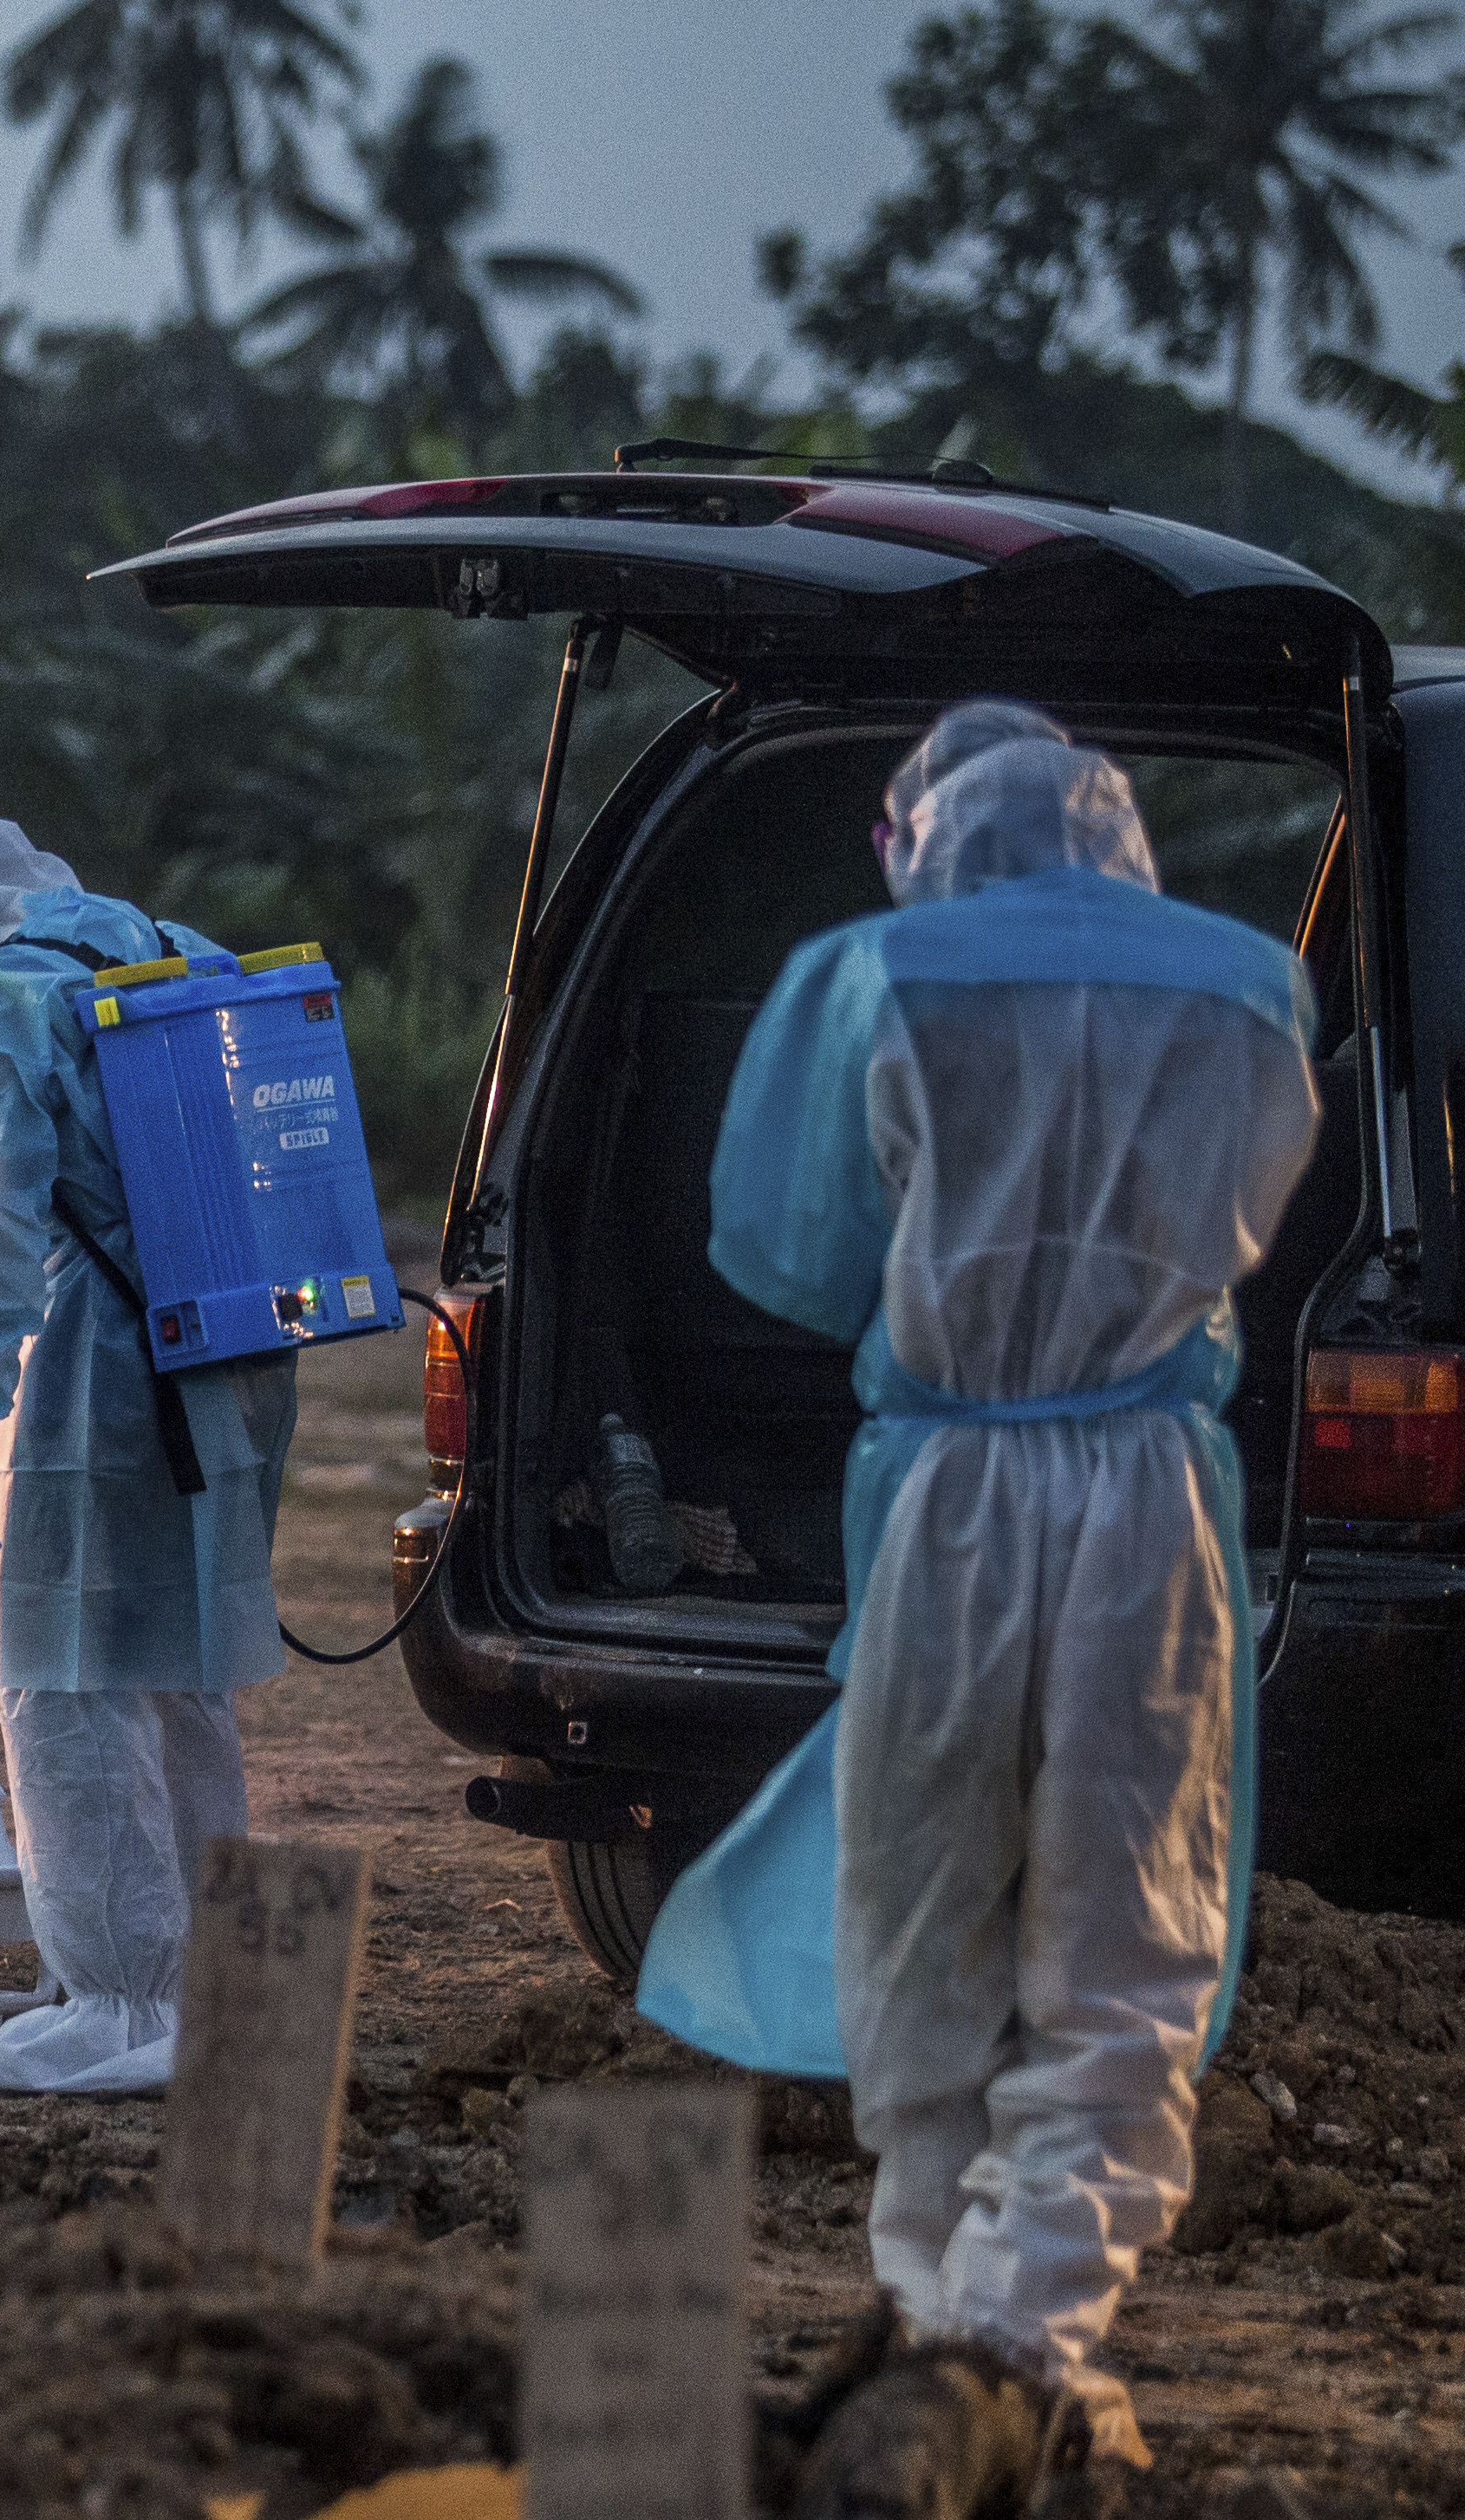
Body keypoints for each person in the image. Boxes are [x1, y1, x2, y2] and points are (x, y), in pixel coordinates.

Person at [636, 701, 1318, 2484]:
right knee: (1116, 1929)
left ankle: (964, 2324)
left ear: (916, 826)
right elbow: (1256, 1206)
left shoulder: (871, 977)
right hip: (1143, 1499)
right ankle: (999, 2331)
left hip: (947, 1489)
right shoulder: (1247, 987)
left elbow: (796, 1252)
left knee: (919, 1898)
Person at [0, 774, 296, 2096]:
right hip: (234, 1354)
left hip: (98, 1369)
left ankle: (122, 2002)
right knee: (181, 1666)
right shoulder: (165, 942)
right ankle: (214, 1984)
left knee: (72, 1674)